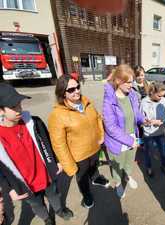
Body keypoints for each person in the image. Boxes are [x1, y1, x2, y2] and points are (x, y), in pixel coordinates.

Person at [0, 83, 73, 225]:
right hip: (24, 185)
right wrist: (9, 189)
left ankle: (59, 210)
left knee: (54, 195)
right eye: (13, 106)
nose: (19, 109)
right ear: (1, 110)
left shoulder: (34, 122)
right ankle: (47, 218)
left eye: (19, 104)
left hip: (46, 175)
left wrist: (56, 161)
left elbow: (49, 142)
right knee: (36, 205)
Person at [48, 74, 109, 209]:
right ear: (62, 93)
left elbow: (98, 118)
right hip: (79, 156)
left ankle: (96, 178)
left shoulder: (86, 102)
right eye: (71, 90)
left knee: (94, 167)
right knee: (82, 177)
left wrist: (101, 135)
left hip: (94, 147)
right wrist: (69, 166)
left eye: (77, 87)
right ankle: (86, 195)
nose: (76, 91)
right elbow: (58, 144)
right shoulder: (57, 115)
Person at [102, 64, 147, 198]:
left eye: (131, 81)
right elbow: (110, 127)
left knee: (128, 162)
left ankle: (127, 176)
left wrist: (145, 120)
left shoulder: (132, 94)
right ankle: (118, 184)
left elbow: (136, 114)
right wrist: (130, 141)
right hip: (118, 141)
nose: (131, 84)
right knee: (117, 166)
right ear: (118, 81)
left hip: (132, 139)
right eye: (128, 82)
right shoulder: (109, 101)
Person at [140, 81, 165, 177]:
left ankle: (164, 166)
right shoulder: (144, 102)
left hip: (160, 133)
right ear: (152, 92)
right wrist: (152, 122)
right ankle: (149, 168)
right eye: (159, 96)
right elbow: (141, 121)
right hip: (148, 135)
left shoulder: (162, 100)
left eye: (162, 96)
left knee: (163, 152)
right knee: (148, 153)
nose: (161, 98)